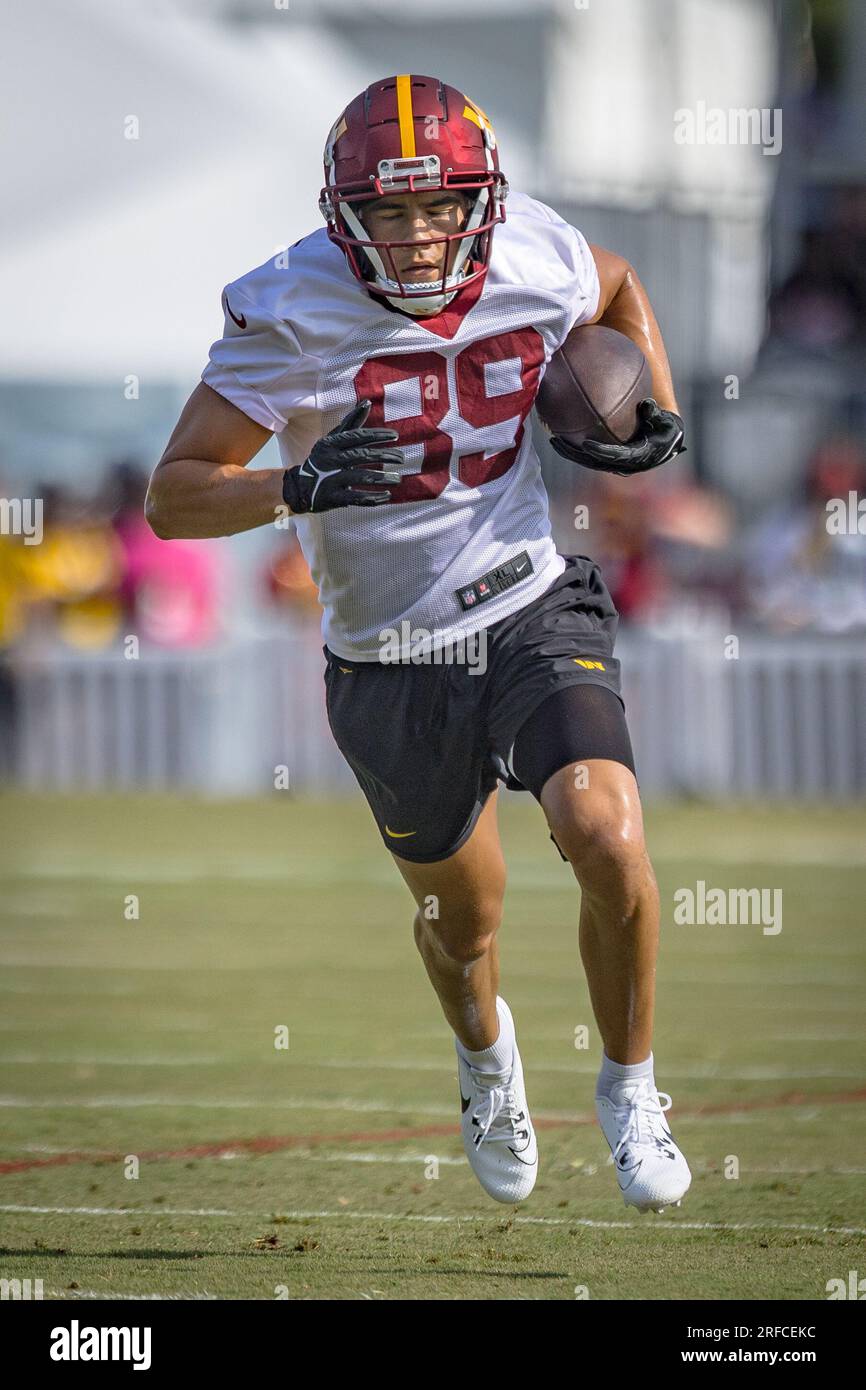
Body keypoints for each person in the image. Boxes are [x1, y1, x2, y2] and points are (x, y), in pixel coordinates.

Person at [146, 75, 690, 1212]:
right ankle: (489, 1061)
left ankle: (630, 1083)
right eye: (387, 213)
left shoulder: (535, 249)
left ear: (481, 201)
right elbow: (175, 498)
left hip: (529, 597)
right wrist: (290, 485)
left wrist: (652, 404)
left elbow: (621, 282)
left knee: (603, 828)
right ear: (342, 214)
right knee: (463, 921)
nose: (416, 233)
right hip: (389, 648)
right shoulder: (287, 304)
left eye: (439, 206)